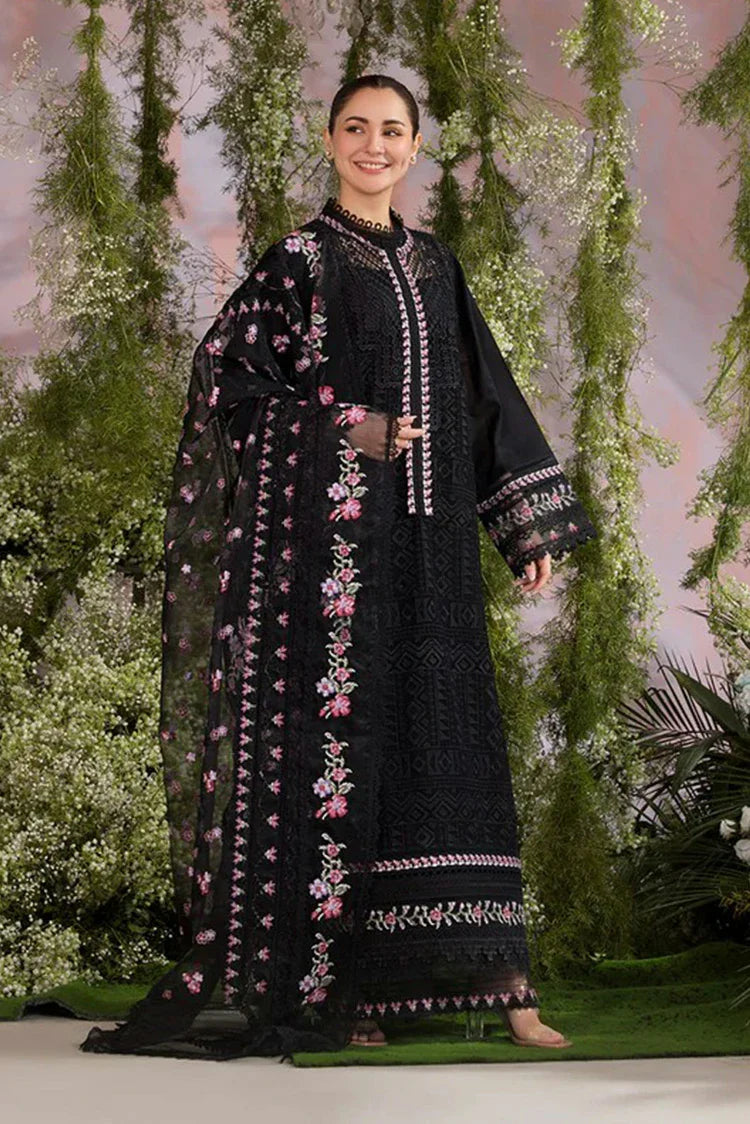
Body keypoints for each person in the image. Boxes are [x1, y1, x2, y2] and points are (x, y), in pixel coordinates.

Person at [80, 74, 596, 1062]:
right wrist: (345, 426)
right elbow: (226, 380)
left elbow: (482, 394)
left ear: (415, 147)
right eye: (356, 128)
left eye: (392, 130)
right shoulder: (299, 262)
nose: (374, 145)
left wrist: (521, 528)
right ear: (329, 140)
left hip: (436, 552)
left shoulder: (436, 264)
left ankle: (506, 985)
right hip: (338, 562)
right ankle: (350, 987)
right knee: (355, 758)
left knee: (452, 747)